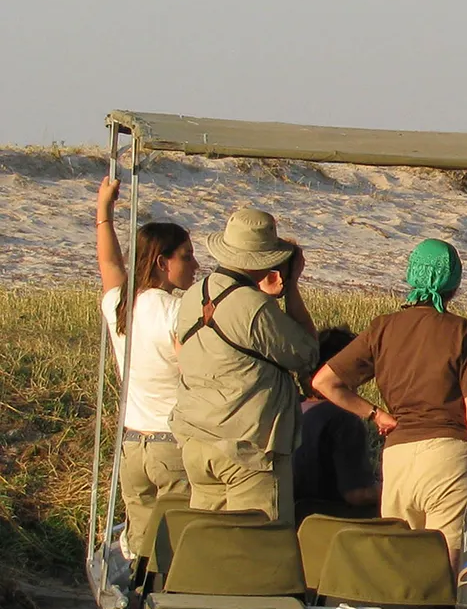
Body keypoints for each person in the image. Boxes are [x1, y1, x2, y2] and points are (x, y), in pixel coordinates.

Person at [312, 240, 467, 557]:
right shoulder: (466, 332)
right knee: (445, 562)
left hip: (397, 457)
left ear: (412, 275)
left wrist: (376, 414)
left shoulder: (382, 328)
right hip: (449, 456)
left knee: (399, 559)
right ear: (455, 282)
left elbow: (325, 382)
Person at [170, 206, 318, 522]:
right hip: (246, 450)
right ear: (268, 258)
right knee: (258, 551)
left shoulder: (195, 294)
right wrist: (291, 287)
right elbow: (306, 352)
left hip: (198, 441)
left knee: (211, 549)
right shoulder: (255, 307)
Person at [93, 176, 197, 560]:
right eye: (186, 256)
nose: (194, 264)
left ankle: (135, 607)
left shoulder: (121, 302)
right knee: (176, 549)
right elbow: (194, 370)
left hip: (133, 445)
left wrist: (104, 210)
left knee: (140, 548)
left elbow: (108, 261)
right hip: (171, 443)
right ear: (161, 262)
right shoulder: (174, 311)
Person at [293, 327, 380, 521]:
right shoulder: (343, 419)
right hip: (331, 527)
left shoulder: (292, 409)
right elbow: (357, 494)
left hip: (295, 522)